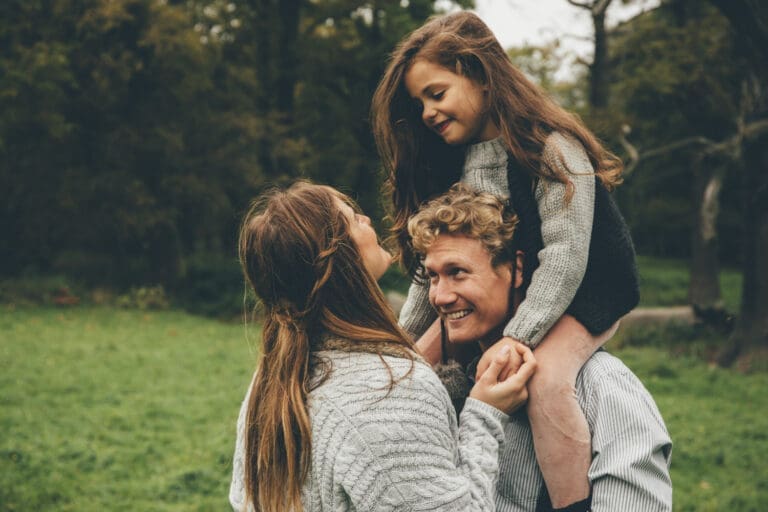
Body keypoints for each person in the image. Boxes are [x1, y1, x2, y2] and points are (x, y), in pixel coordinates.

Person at [371, 11, 639, 509]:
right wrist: (401, 345)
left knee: (547, 381)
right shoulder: (450, 160)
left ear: (479, 75)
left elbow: (564, 257)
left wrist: (519, 338)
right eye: (419, 103)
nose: (428, 112)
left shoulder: (552, 149)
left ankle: (570, 504)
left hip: (586, 293)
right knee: (414, 375)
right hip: (511, 292)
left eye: (437, 93)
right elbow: (428, 269)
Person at [228, 181, 537, 512]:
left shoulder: (270, 379)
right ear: (341, 258)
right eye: (355, 218)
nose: (368, 221)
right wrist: (485, 416)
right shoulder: (391, 388)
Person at [408, 184, 672, 512]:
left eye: (457, 273)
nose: (440, 296)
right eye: (433, 277)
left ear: (517, 269)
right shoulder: (452, 386)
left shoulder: (600, 386)